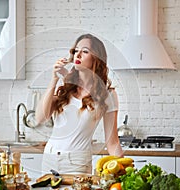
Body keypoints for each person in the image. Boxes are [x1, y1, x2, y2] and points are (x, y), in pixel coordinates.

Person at [35, 33, 123, 174]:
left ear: (97, 59)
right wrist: (54, 79)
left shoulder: (107, 95)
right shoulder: (65, 86)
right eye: (76, 50)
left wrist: (124, 169)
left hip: (77, 164)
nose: (78, 55)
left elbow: (112, 142)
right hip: (49, 158)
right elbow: (40, 117)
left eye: (85, 51)